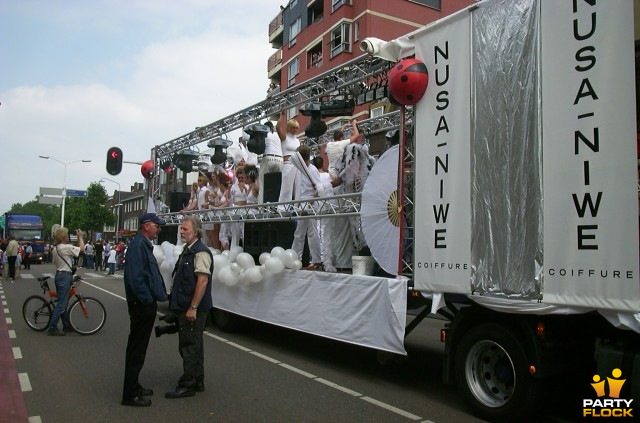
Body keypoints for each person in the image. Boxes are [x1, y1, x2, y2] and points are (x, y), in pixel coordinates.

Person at [122, 213, 168, 407]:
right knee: (137, 350)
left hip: (144, 304)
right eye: (157, 226)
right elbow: (136, 279)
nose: (159, 229)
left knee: (139, 350)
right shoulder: (138, 246)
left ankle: (134, 386)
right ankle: (130, 394)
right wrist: (147, 300)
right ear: (146, 226)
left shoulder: (142, 245)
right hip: (142, 306)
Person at [165, 216, 213, 399]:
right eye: (181, 229)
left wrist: (193, 307)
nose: (181, 231)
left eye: (185, 229)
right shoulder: (188, 250)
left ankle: (188, 384)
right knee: (195, 345)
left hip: (192, 308)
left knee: (189, 346)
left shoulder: (200, 252)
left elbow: (202, 281)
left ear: (196, 232)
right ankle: (198, 380)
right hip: (185, 306)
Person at [290, 145, 322, 269]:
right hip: (303, 204)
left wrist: (311, 202)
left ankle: (315, 259)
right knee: (301, 233)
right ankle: (297, 258)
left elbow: (318, 189)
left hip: (310, 204)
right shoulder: (300, 170)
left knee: (310, 232)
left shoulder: (312, 170)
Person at [49, 227, 85, 336]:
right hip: (65, 276)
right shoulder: (65, 247)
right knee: (61, 304)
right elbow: (81, 249)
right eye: (67, 234)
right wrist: (80, 237)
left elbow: (55, 262)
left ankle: (66, 325)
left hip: (59, 275)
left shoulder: (55, 249)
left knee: (63, 302)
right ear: (64, 237)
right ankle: (52, 327)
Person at [276, 110, 301, 205]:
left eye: (297, 128)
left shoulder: (298, 140)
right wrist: (281, 116)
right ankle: (283, 207)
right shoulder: (284, 138)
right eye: (293, 128)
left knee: (298, 187)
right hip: (288, 164)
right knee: (286, 188)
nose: (295, 129)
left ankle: (298, 206)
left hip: (297, 165)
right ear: (289, 127)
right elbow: (278, 127)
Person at [257, 120, 283, 203]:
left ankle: (261, 208)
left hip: (268, 158)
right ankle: (277, 207)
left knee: (262, 184)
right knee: (277, 186)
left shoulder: (264, 133)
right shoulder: (278, 135)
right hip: (280, 159)